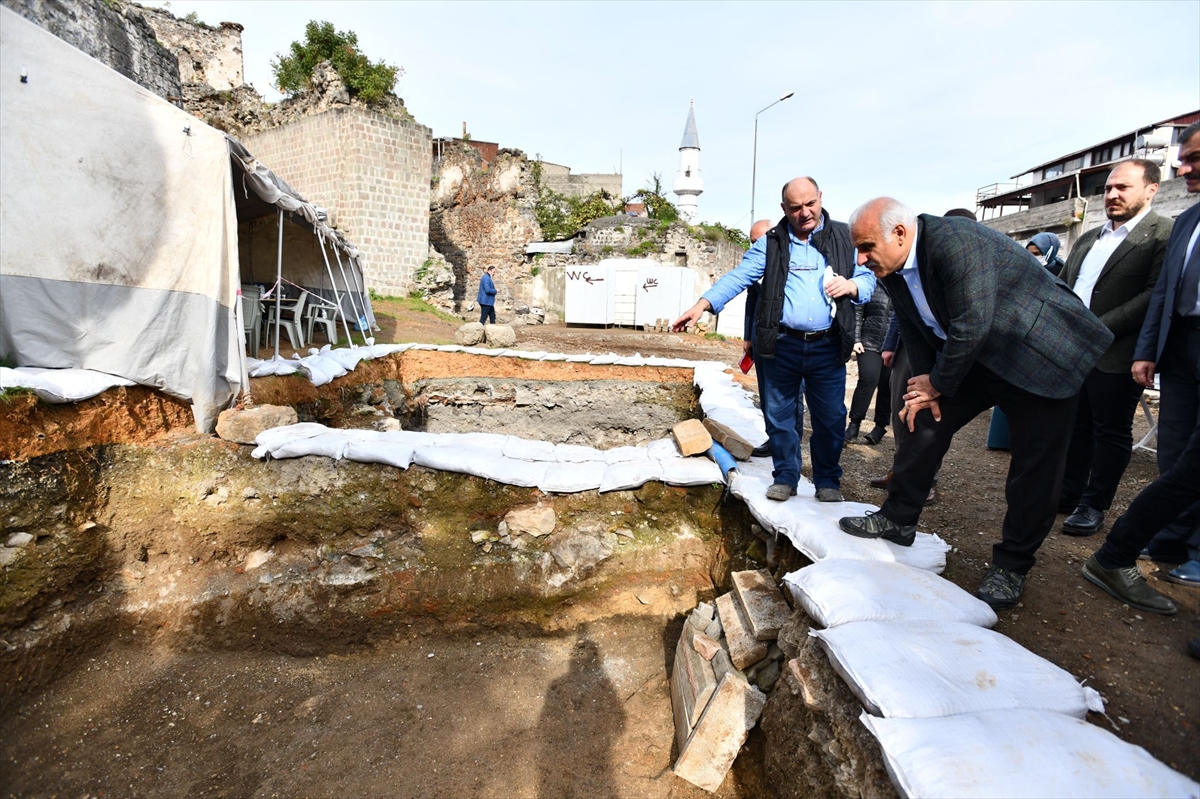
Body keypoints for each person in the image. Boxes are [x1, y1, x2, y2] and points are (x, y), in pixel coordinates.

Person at [837, 198, 1111, 609]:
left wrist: (937, 382)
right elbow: (915, 329)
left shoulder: (955, 243)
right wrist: (924, 385)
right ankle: (898, 518)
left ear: (899, 234)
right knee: (920, 417)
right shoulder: (891, 267)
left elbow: (971, 322)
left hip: (1038, 354)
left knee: (1034, 465)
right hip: (982, 354)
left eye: (865, 246)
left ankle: (1012, 566)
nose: (860, 258)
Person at [673, 177, 875, 503]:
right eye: (796, 208)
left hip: (827, 345)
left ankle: (827, 481)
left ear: (821, 197)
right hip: (783, 345)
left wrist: (852, 287)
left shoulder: (844, 237)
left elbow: (867, 277)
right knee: (779, 416)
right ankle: (785, 476)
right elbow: (739, 277)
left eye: (810, 204)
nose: (805, 213)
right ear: (784, 209)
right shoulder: (772, 242)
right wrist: (702, 305)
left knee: (830, 418)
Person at [1057, 159, 1172, 536]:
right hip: (1075, 351)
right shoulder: (1090, 237)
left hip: (1118, 353)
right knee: (1076, 426)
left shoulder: (1161, 234)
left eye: (1123, 187)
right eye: (1108, 188)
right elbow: (1063, 285)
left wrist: (1095, 328)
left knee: (1111, 431)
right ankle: (1068, 493)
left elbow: (1154, 294)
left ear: (1151, 190)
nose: (1112, 194)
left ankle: (1094, 504)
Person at [1113, 120, 1200, 587]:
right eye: (1183, 158)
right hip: (1181, 344)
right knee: (1175, 445)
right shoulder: (1187, 221)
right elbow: (1164, 293)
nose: (1183, 167)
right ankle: (1172, 534)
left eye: (1194, 159)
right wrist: (1147, 351)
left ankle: (1198, 549)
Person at [867, 208, 976, 502]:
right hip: (913, 347)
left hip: (951, 350)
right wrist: (890, 345)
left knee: (931, 414)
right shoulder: (914, 265)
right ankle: (901, 470)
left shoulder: (963, 267)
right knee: (903, 406)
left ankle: (926, 479)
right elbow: (901, 313)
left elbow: (967, 324)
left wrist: (938, 380)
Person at [742, 219, 775, 457]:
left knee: (787, 395)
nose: (754, 245)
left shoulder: (785, 259)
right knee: (765, 392)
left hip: (783, 338)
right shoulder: (753, 263)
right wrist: (748, 337)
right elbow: (751, 300)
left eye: (758, 240)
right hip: (759, 336)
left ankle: (787, 442)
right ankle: (773, 439)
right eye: (752, 241)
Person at [845, 280, 892, 444]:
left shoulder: (906, 284)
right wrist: (856, 338)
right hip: (869, 342)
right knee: (868, 379)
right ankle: (854, 424)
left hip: (894, 346)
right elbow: (858, 311)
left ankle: (880, 426)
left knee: (887, 385)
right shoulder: (873, 283)